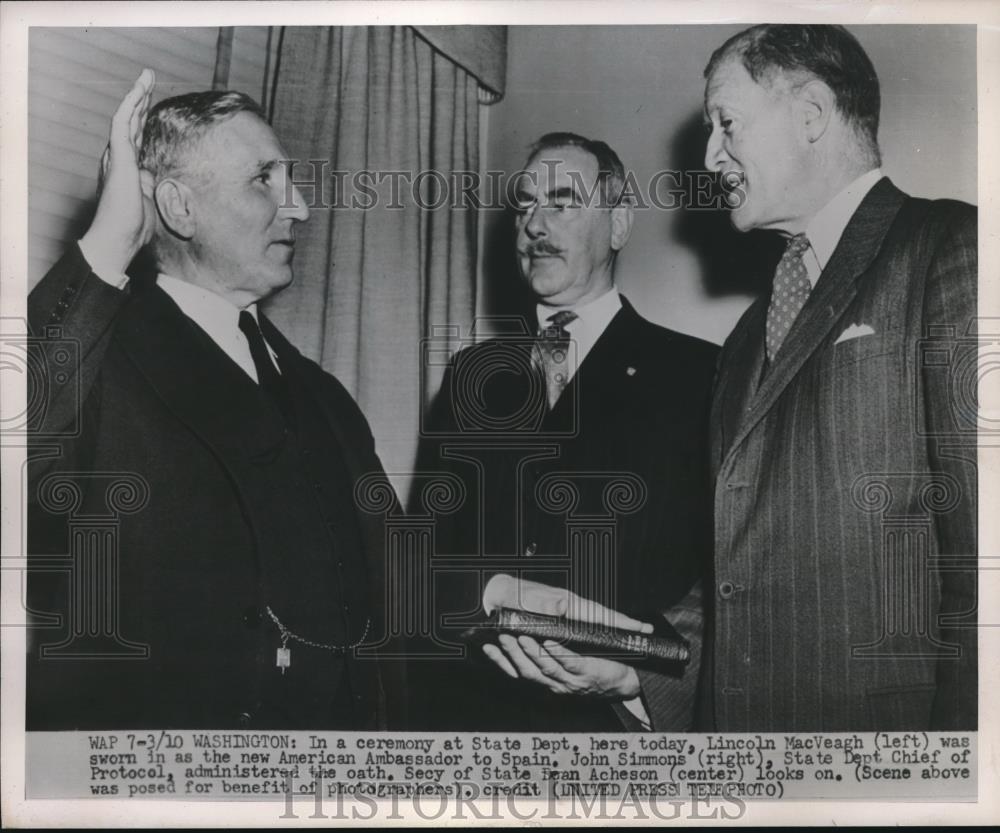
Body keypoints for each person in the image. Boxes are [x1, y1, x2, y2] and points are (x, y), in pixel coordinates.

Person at [26, 71, 401, 730]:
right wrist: (109, 240)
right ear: (179, 206)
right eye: (264, 180)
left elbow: (395, 570)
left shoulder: (323, 395)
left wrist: (494, 593)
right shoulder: (94, 363)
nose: (301, 208)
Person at [699, 24, 977, 730]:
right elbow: (739, 577)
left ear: (812, 114)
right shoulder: (740, 341)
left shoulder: (954, 249)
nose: (710, 156)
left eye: (726, 124)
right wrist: (635, 660)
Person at [415, 133, 718, 731]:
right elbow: (423, 555)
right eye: (525, 205)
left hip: (614, 725)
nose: (534, 224)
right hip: (475, 716)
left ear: (618, 225)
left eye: (561, 201)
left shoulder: (700, 374)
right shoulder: (471, 376)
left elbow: (718, 575)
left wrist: (645, 678)